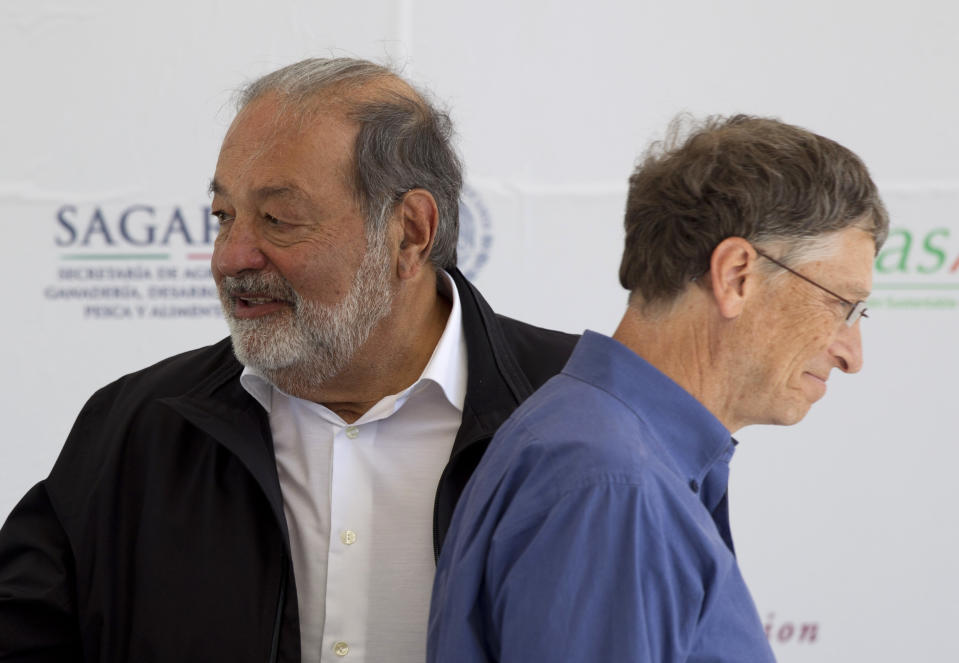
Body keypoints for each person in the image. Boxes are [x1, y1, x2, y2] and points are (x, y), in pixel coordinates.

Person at [0, 58, 576, 662]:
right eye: (224, 217)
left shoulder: (580, 417)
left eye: (278, 219)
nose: (230, 258)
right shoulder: (136, 428)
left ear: (409, 231)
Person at [428, 115, 889, 662]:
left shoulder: (602, 455)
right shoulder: (611, 484)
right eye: (842, 305)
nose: (852, 355)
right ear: (737, 275)